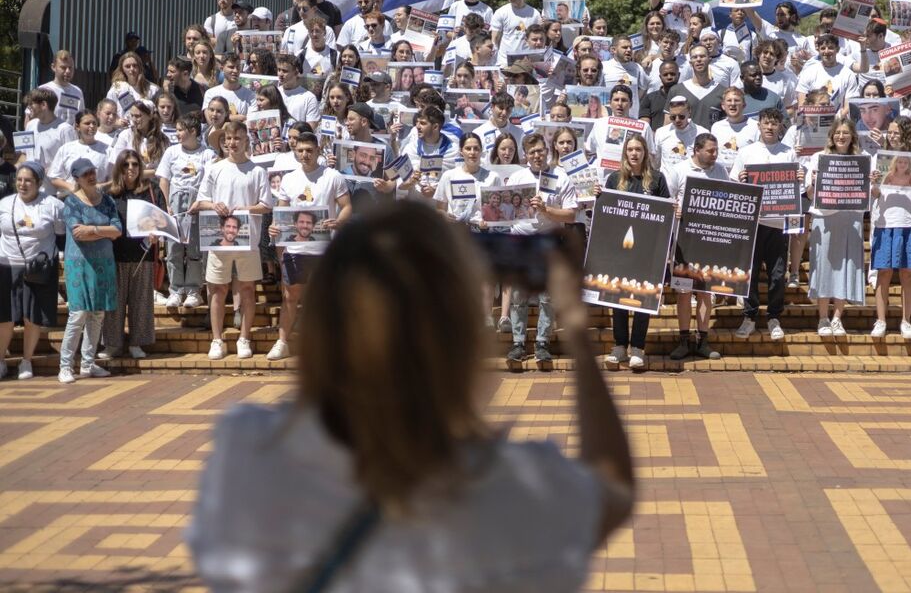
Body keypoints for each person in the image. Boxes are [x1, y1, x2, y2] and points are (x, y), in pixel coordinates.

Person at [188, 199, 633, 590]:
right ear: (459, 336)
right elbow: (613, 488)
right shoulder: (510, 488)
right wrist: (574, 327)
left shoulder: (246, 453)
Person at [267, 132, 351, 361]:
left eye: (309, 150)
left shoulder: (332, 176)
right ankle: (282, 342)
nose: (305, 154)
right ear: (295, 151)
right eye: (301, 150)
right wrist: (274, 228)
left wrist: (339, 221)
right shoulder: (289, 179)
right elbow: (281, 212)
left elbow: (346, 206)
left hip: (325, 249)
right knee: (290, 297)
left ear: (318, 151)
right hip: (295, 250)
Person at [194, 121, 273, 360]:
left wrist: (245, 209)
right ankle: (217, 340)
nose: (232, 143)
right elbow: (201, 201)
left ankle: (244, 338)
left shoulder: (257, 171)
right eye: (228, 139)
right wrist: (213, 205)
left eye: (237, 138)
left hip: (248, 240)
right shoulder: (215, 168)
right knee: (217, 289)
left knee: (248, 288)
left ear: (246, 140)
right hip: (219, 240)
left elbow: (266, 205)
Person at [596, 134, 669, 370]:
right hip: (619, 250)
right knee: (617, 298)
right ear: (625, 153)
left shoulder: (657, 179)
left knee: (642, 297)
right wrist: (596, 196)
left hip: (647, 251)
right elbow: (606, 214)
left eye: (638, 149)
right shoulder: (614, 179)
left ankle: (638, 348)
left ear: (645, 152)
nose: (634, 153)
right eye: (630, 149)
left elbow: (665, 214)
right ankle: (619, 346)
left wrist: (673, 211)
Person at [505, 133, 578, 368]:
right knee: (518, 296)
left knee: (548, 297)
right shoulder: (516, 177)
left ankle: (542, 343)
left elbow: (570, 214)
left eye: (541, 150)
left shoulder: (561, 176)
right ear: (526, 155)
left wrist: (546, 210)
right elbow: (504, 211)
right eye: (532, 152)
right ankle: (518, 343)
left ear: (547, 151)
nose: (537, 155)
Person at [731, 107, 800, 341]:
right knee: (749, 271)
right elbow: (734, 184)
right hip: (753, 223)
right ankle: (749, 317)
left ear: (781, 126)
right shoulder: (746, 152)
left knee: (777, 273)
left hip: (779, 224)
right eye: (766, 123)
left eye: (774, 123)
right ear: (759, 125)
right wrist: (740, 180)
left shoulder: (789, 153)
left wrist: (799, 179)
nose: (770, 127)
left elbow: (796, 191)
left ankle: (773, 317)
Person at [57, 158, 122, 384]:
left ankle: (87, 363)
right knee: (78, 314)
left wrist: (93, 229)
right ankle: (65, 366)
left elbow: (117, 231)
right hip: (79, 264)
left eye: (92, 172)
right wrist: (104, 231)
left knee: (97, 314)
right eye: (85, 174)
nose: (91, 176)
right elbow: (77, 234)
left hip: (103, 263)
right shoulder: (71, 203)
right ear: (76, 179)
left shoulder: (108, 202)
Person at [664, 133, 726, 361]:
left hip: (710, 243)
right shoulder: (679, 170)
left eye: (716, 150)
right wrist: (675, 210)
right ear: (697, 150)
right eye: (710, 150)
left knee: (705, 293)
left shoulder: (720, 170)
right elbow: (667, 201)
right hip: (684, 244)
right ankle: (683, 341)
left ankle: (703, 341)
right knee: (683, 293)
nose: (715, 154)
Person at [0, 163, 64, 381]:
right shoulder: (5, 204)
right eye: (19, 179)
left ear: (38, 182)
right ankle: (0, 361)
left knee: (31, 316)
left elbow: (60, 234)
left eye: (28, 180)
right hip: (7, 266)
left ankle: (26, 361)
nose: (22, 184)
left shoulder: (53, 205)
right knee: (5, 317)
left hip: (37, 268)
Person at [101, 150, 166, 360]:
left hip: (142, 255)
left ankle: (137, 343)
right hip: (114, 255)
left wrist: (156, 233)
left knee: (141, 302)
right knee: (114, 305)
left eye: (135, 164)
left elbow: (162, 219)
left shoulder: (151, 190)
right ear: (119, 167)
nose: (131, 169)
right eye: (126, 164)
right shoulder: (110, 193)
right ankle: (112, 345)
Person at [804, 118, 866, 336]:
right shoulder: (818, 158)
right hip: (824, 219)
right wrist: (813, 181)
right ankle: (822, 318)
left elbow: (869, 192)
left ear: (852, 137)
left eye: (846, 133)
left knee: (845, 267)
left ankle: (837, 318)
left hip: (851, 219)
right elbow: (810, 194)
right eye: (837, 133)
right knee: (822, 268)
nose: (841, 137)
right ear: (831, 136)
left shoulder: (863, 159)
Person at [868, 118, 911, 338]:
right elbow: (875, 194)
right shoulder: (879, 158)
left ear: (906, 135)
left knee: (908, 273)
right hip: (886, 221)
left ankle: (906, 321)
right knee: (883, 272)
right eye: (889, 132)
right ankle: (881, 320)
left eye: (896, 133)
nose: (891, 136)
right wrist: (873, 183)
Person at [156, 113, 216, 308]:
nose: (178, 134)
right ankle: (175, 289)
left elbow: (209, 180)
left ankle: (193, 290)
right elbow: (163, 179)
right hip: (175, 201)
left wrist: (200, 202)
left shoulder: (207, 153)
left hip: (196, 202)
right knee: (174, 248)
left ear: (193, 131)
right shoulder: (172, 152)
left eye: (181, 130)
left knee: (194, 249)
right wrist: (167, 204)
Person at [21, 89, 76, 197]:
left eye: (31, 104)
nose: (28, 108)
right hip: (29, 192)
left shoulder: (65, 130)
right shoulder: (30, 125)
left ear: (43, 105)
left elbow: (72, 163)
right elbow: (24, 154)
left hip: (54, 194)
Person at [48, 110, 112, 194]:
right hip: (71, 199)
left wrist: (101, 186)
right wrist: (71, 187)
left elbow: (115, 179)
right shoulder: (66, 149)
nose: (92, 126)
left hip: (98, 199)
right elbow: (54, 177)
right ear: (77, 126)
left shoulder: (108, 150)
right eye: (87, 123)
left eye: (94, 123)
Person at [668, 45, 724, 126]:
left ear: (709, 60)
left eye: (702, 56)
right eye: (695, 57)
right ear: (690, 63)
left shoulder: (722, 91)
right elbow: (668, 124)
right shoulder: (676, 90)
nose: (698, 59)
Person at [490, 0, 542, 65]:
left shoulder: (534, 14)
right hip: (505, 62)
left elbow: (539, 39)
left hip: (526, 62)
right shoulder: (501, 12)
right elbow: (495, 39)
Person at [654, 95, 708, 171]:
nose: (677, 120)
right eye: (673, 117)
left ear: (689, 112)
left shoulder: (702, 133)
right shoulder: (661, 133)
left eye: (681, 116)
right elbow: (656, 162)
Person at [38, 50, 84, 125]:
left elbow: (81, 119)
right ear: (53, 67)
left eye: (70, 67)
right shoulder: (43, 90)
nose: (68, 71)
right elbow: (30, 118)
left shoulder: (78, 92)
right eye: (63, 67)